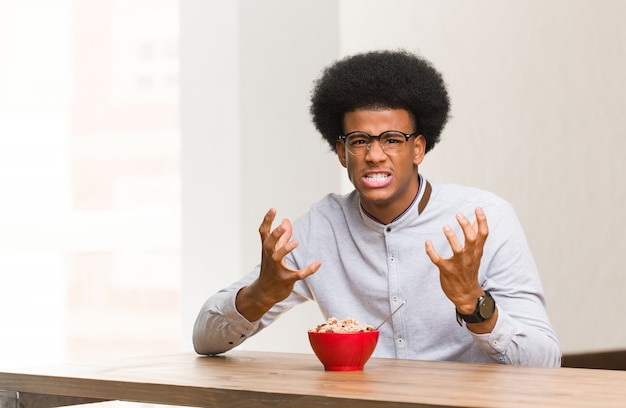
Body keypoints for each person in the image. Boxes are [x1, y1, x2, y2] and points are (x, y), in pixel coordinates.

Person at [192, 49, 561, 366]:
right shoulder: (320, 229)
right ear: (341, 152)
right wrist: (260, 294)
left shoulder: (486, 219)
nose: (374, 155)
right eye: (359, 140)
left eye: (391, 139)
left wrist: (473, 302)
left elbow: (545, 360)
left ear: (418, 148)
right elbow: (204, 340)